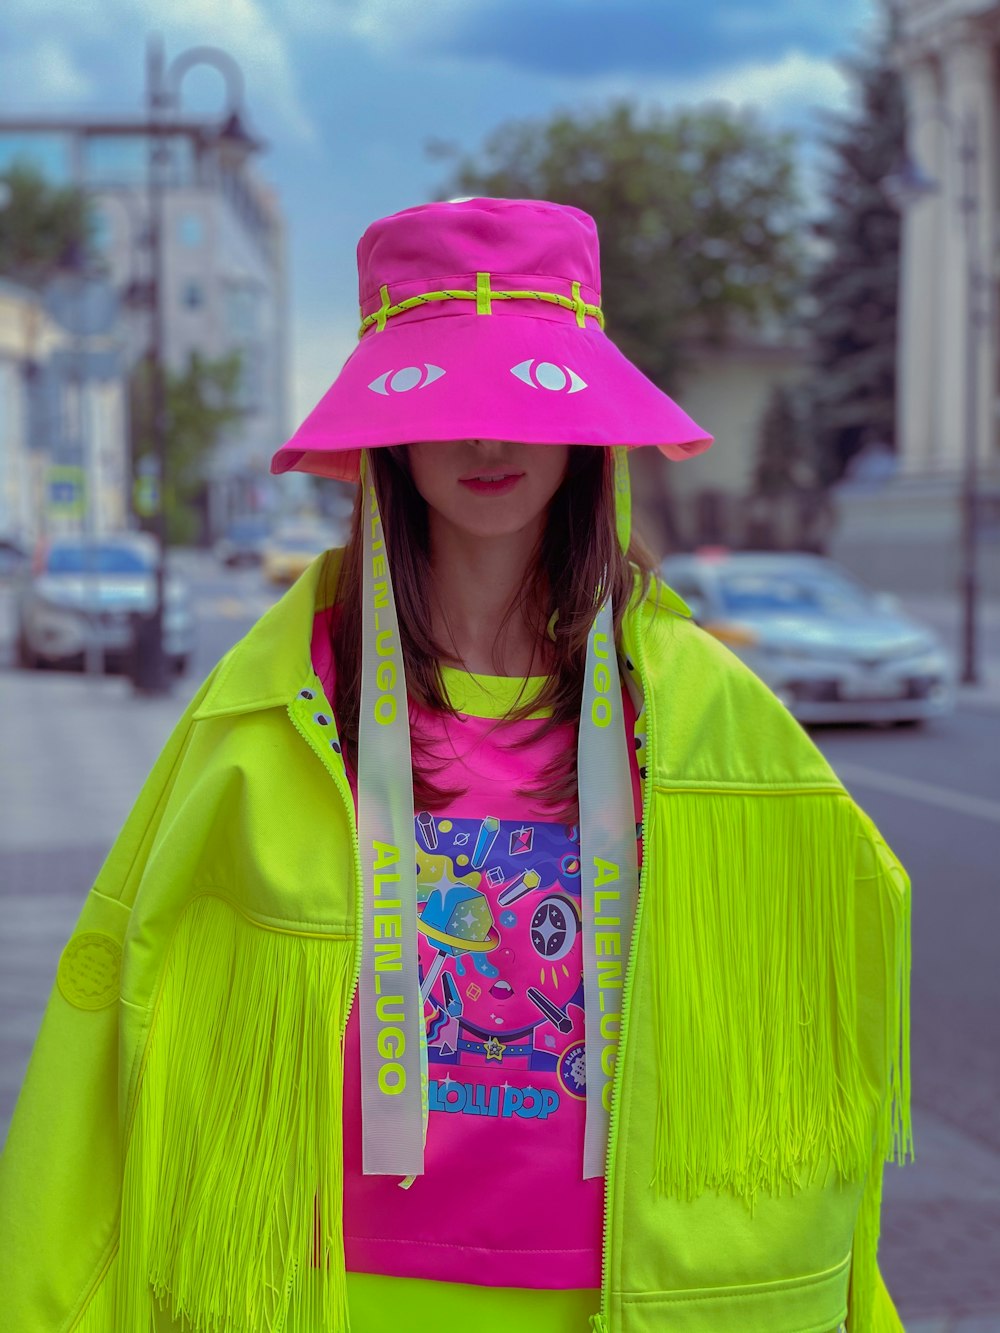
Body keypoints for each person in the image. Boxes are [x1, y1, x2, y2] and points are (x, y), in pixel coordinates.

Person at [0, 198, 910, 1333]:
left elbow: (833, 1015)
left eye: (522, 401)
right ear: (391, 434)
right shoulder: (277, 700)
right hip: (333, 1286)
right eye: (448, 401)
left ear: (583, 426)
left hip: (620, 1292)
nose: (488, 442)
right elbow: (113, 1006)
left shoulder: (696, 706)